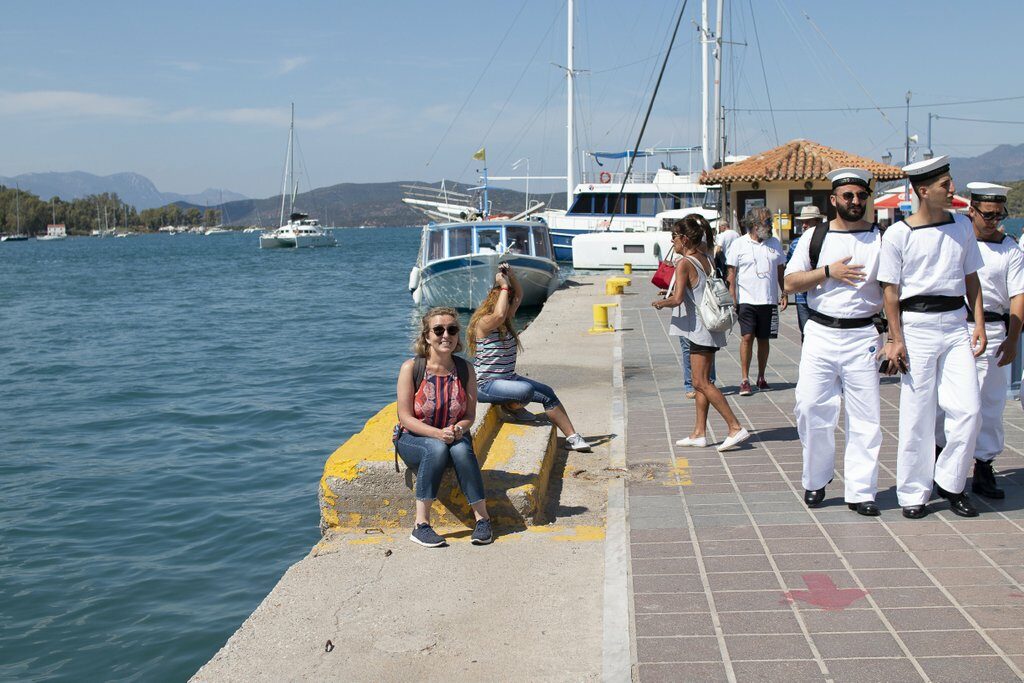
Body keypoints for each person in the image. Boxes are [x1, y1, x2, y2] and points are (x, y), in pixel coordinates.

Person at [878, 155, 986, 519]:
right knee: (917, 414)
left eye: (951, 182)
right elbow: (890, 292)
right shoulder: (898, 234)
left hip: (956, 324)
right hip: (918, 326)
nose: (952, 189)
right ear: (924, 191)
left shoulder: (963, 227)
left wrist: (980, 323)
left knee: (968, 409)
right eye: (945, 185)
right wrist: (896, 338)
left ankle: (952, 483)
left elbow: (972, 278)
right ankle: (912, 493)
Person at [784, 168, 884, 516]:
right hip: (821, 333)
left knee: (865, 416)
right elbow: (791, 282)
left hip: (863, 335)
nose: (855, 201)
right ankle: (816, 478)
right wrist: (828, 272)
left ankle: (861, 491)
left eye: (861, 196)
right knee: (810, 408)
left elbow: (893, 289)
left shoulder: (881, 238)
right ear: (834, 200)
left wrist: (895, 338)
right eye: (848, 196)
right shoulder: (816, 238)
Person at [937, 183, 1023, 499]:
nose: (994, 221)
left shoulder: (1010, 248)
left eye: (999, 215)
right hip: (957, 325)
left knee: (990, 404)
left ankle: (983, 466)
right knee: (948, 403)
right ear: (972, 210)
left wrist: (1013, 339)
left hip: (996, 329)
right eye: (988, 214)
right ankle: (941, 464)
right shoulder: (956, 240)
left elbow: (1018, 296)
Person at [395, 307, 492, 547]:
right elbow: (405, 417)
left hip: (452, 437)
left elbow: (469, 415)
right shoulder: (412, 368)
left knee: (461, 449)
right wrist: (438, 434)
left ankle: (483, 520)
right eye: (438, 330)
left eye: (452, 329)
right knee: (435, 449)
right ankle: (421, 525)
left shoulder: (465, 370)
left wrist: (458, 428)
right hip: (414, 439)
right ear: (427, 336)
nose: (445, 335)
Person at [653, 215, 751, 451]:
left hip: (699, 329)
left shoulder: (684, 263)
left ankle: (735, 427)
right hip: (708, 327)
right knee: (701, 383)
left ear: (684, 239)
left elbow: (676, 300)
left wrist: (659, 304)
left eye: (674, 237)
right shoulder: (705, 256)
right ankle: (699, 433)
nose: (672, 242)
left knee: (701, 382)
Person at [468, 265, 592, 451]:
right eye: (508, 302)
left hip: (508, 379)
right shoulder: (484, 323)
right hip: (486, 385)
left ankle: (573, 438)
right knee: (525, 390)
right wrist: (502, 286)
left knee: (547, 393)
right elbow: (500, 313)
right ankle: (511, 404)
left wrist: (511, 276)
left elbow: (518, 295)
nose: (513, 306)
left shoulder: (506, 322)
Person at [726, 207, 788, 395]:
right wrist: (733, 298)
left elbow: (780, 271)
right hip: (746, 300)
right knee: (746, 337)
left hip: (768, 300)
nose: (770, 226)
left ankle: (761, 377)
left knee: (764, 339)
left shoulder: (775, 243)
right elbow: (731, 275)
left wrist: (784, 293)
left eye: (770, 222)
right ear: (754, 225)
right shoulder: (739, 244)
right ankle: (744, 379)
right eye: (766, 222)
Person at [786, 205, 826, 339]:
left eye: (808, 221)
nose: (804, 225)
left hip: (822, 295)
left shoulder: (828, 241)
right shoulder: (795, 244)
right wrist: (785, 293)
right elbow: (789, 270)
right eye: (802, 222)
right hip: (802, 298)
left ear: (818, 222)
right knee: (806, 334)